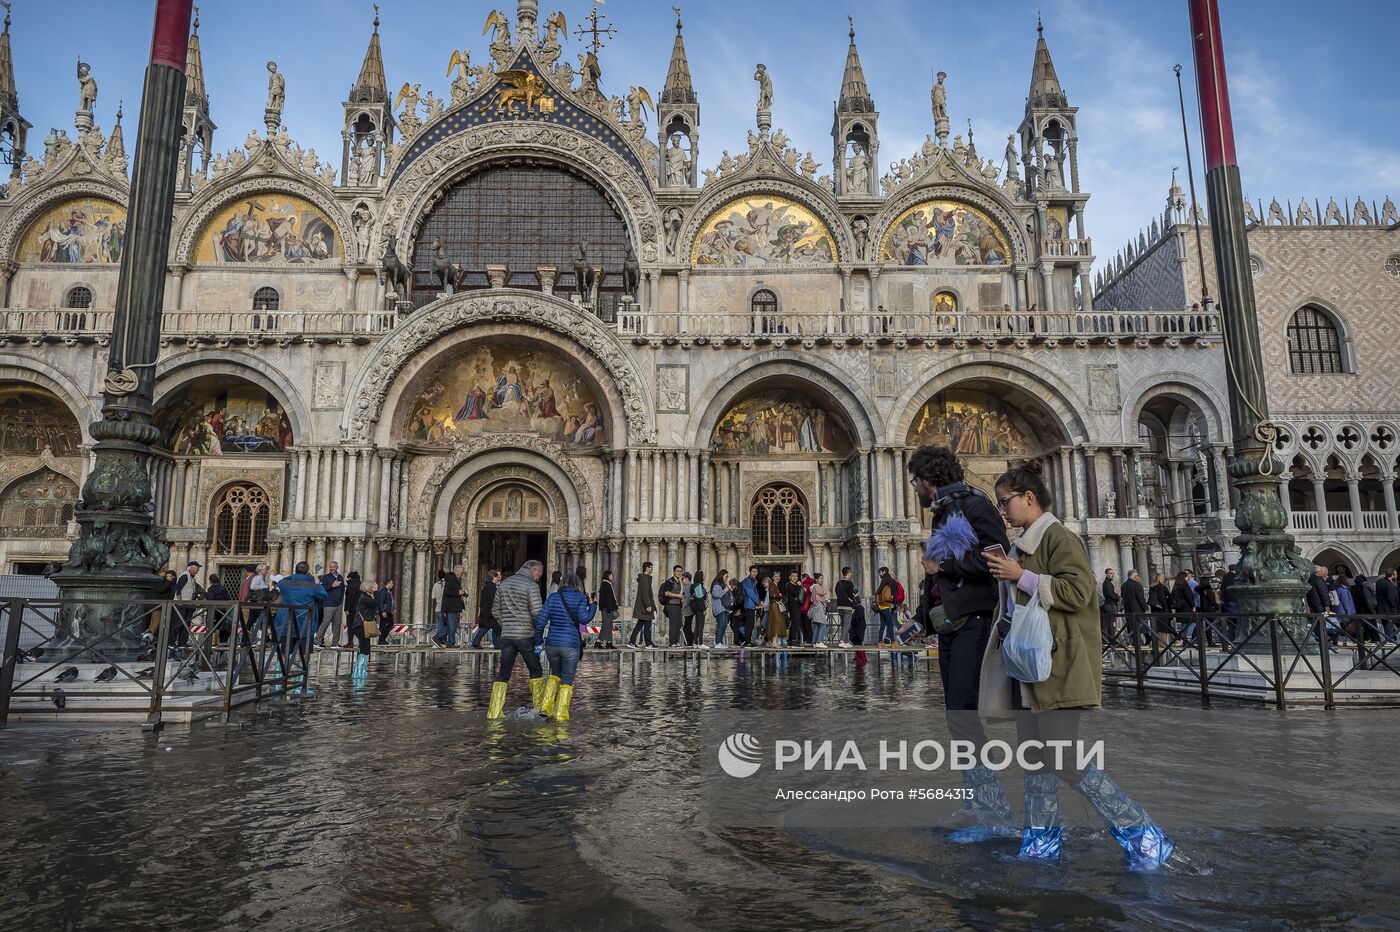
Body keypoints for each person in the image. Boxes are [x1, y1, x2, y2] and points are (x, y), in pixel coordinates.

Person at [982, 460, 1174, 870]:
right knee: (1034, 759)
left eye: (1005, 502)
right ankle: (1041, 844)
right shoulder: (1023, 545)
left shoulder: (1058, 538)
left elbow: (1080, 591)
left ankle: (1143, 832)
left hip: (1058, 666)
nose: (1001, 510)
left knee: (1063, 758)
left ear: (1028, 498)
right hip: (1028, 669)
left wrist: (1020, 575)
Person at [487, 560, 547, 719]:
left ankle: (494, 711)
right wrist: (534, 628)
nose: (538, 578)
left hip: (507, 636)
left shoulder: (504, 584)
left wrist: (507, 624)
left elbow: (495, 610)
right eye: (539, 575)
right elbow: (537, 612)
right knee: (535, 670)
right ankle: (539, 710)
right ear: (534, 570)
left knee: (503, 673)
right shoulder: (531, 586)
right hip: (525, 635)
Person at [535, 572, 596, 721]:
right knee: (567, 679)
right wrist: (593, 606)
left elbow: (541, 621)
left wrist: (538, 641)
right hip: (570, 644)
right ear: (578, 584)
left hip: (552, 644)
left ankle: (546, 708)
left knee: (555, 674)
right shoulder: (581, 598)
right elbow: (584, 619)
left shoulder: (553, 597)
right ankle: (561, 714)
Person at [273, 561, 327, 681]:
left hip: (287, 623)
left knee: (284, 653)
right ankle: (301, 682)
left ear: (295, 570)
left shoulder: (285, 583)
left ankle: (279, 679)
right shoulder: (312, 585)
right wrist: (317, 582)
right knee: (305, 654)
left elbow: (280, 583)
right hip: (305, 625)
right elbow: (324, 596)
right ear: (307, 572)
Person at [348, 578, 378, 678]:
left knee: (364, 647)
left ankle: (359, 671)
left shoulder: (366, 597)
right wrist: (376, 592)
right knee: (364, 648)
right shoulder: (365, 597)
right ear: (370, 587)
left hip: (362, 625)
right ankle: (359, 673)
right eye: (374, 586)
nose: (376, 587)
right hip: (361, 625)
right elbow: (377, 602)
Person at [173, 561, 205, 651]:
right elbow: (178, 588)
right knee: (178, 623)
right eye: (197, 569)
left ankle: (182, 642)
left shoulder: (192, 578)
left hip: (188, 605)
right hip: (181, 605)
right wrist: (179, 600)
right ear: (191, 568)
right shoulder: (185, 576)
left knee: (186, 625)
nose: (198, 571)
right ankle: (171, 642)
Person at [628, 562, 658, 648]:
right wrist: (648, 605)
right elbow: (645, 593)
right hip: (645, 607)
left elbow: (649, 594)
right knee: (647, 625)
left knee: (640, 624)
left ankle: (632, 641)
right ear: (646, 568)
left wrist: (653, 606)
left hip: (643, 606)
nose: (652, 569)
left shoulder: (645, 578)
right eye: (651, 567)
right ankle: (648, 643)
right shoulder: (645, 579)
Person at [471, 569, 503, 648]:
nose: (497, 579)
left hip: (486, 610)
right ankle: (497, 644)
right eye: (496, 577)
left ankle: (475, 642)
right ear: (493, 577)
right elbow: (493, 600)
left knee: (486, 627)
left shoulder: (488, 586)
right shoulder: (491, 587)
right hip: (490, 611)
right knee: (495, 627)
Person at [317, 561, 345, 648]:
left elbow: (342, 590)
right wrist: (332, 586)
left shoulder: (340, 577)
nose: (331, 568)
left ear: (337, 567)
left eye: (333, 567)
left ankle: (335, 643)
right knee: (326, 622)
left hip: (338, 604)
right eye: (330, 567)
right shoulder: (325, 577)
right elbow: (321, 589)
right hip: (329, 604)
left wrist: (341, 601)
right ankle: (317, 641)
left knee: (337, 624)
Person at [873, 567, 902, 647]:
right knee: (890, 624)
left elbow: (878, 593)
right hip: (886, 606)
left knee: (883, 625)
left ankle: (880, 641)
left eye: (880, 572)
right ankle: (893, 641)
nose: (879, 574)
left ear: (884, 572)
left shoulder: (884, 582)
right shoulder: (890, 581)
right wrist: (894, 605)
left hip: (880, 606)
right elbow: (892, 595)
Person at [438, 564, 466, 647]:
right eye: (461, 573)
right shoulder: (451, 578)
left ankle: (451, 642)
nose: (462, 575)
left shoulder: (454, 579)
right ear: (456, 571)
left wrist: (463, 593)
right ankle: (437, 637)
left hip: (453, 606)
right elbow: (447, 592)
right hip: (450, 607)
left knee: (453, 625)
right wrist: (458, 592)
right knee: (452, 625)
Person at [1120, 569, 1149, 647]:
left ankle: (1134, 642)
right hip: (1138, 609)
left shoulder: (1123, 586)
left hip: (1128, 610)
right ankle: (1144, 640)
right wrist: (1146, 608)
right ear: (1135, 576)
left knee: (1131, 627)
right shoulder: (1137, 585)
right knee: (1141, 626)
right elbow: (1140, 598)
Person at [660, 565, 685, 646]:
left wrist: (681, 582)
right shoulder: (669, 581)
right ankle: (672, 642)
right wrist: (677, 596)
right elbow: (666, 593)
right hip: (671, 604)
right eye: (677, 571)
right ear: (674, 572)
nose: (679, 573)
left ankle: (676, 642)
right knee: (673, 624)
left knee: (679, 624)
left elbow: (681, 593)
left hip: (678, 605)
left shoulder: (680, 582)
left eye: (680, 571)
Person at [205, 575, 231, 649]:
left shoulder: (211, 589)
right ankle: (216, 642)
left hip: (213, 609)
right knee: (218, 626)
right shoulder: (223, 588)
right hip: (222, 609)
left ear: (210, 581)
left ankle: (212, 643)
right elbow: (227, 597)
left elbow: (210, 598)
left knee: (212, 625)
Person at [1170, 571, 1196, 645]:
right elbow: (1189, 596)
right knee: (1192, 622)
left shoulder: (1176, 584)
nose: (1188, 578)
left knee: (1184, 624)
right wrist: (1193, 606)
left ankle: (1182, 639)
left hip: (1179, 608)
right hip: (1186, 607)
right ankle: (1187, 638)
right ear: (1184, 577)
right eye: (1187, 577)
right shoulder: (1184, 584)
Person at [835, 567, 858, 647]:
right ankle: (841, 641)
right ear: (847, 573)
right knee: (847, 624)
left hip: (839, 605)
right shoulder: (850, 583)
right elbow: (851, 594)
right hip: (847, 606)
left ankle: (846, 641)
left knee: (843, 624)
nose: (851, 574)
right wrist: (855, 595)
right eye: (850, 572)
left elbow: (837, 593)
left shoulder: (838, 583)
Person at [597, 569, 619, 648]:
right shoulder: (607, 585)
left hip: (605, 608)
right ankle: (609, 643)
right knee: (608, 626)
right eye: (611, 575)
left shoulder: (604, 584)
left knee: (606, 625)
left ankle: (598, 642)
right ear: (608, 576)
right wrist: (609, 609)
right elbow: (608, 598)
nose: (612, 577)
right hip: (607, 608)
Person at [740, 566, 762, 646]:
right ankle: (748, 642)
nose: (755, 573)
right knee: (749, 624)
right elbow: (750, 593)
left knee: (750, 624)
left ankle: (748, 641)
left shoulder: (753, 581)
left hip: (751, 605)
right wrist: (758, 602)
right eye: (753, 571)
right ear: (750, 572)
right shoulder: (748, 581)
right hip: (748, 605)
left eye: (756, 571)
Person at [1099, 568, 1121, 647]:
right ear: (1106, 574)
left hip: (1110, 605)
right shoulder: (1107, 583)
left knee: (1110, 623)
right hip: (1110, 605)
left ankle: (1109, 640)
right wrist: (1117, 597)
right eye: (1110, 573)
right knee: (1112, 623)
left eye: (1113, 573)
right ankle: (1111, 640)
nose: (1112, 575)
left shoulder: (1108, 583)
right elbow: (1110, 594)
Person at [784, 570, 807, 646]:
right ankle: (793, 640)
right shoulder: (789, 585)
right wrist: (800, 587)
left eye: (796, 576)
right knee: (795, 623)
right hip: (792, 606)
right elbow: (796, 593)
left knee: (795, 623)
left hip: (797, 606)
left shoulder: (796, 585)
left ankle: (791, 640)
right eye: (793, 576)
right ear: (789, 577)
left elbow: (803, 595)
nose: (794, 578)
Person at [764, 571, 787, 647]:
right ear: (772, 577)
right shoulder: (772, 585)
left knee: (776, 624)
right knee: (775, 623)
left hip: (776, 606)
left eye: (778, 576)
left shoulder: (776, 585)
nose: (777, 578)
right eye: (775, 576)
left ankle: (774, 642)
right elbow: (772, 595)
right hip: (774, 606)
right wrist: (780, 595)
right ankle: (774, 642)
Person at [342, 571, 364, 648]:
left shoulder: (351, 586)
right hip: (359, 609)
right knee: (358, 625)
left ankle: (350, 642)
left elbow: (350, 598)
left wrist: (347, 609)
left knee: (350, 625)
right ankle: (361, 642)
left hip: (352, 609)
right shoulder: (360, 584)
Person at [1377, 568, 1400, 642]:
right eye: (1395, 574)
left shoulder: (1379, 582)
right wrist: (1395, 607)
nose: (1396, 576)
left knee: (1386, 625)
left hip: (1381, 608)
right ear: (1392, 575)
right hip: (1390, 610)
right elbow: (1392, 599)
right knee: (1389, 626)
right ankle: (1389, 641)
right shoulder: (1390, 585)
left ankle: (1390, 640)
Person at [688, 570, 708, 647]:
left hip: (695, 608)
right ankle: (700, 643)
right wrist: (703, 609)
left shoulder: (693, 585)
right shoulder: (698, 585)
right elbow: (700, 598)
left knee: (697, 625)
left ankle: (695, 643)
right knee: (700, 625)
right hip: (699, 608)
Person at [711, 570, 731, 647]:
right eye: (726, 576)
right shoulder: (717, 584)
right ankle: (717, 642)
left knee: (724, 625)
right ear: (722, 575)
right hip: (719, 608)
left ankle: (720, 642)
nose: (727, 578)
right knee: (721, 624)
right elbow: (716, 594)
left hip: (724, 608)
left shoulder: (722, 585)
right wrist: (725, 590)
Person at [809, 573, 830, 646]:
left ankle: (814, 642)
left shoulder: (813, 587)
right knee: (822, 624)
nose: (822, 580)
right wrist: (825, 598)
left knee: (816, 625)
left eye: (822, 578)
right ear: (816, 580)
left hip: (815, 607)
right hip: (819, 606)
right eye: (820, 578)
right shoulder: (816, 586)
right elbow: (822, 593)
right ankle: (819, 641)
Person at [375, 579, 396, 646]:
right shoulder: (383, 591)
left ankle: (382, 639)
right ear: (388, 583)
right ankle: (381, 639)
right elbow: (381, 601)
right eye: (392, 583)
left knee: (385, 625)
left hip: (388, 611)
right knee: (386, 624)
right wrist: (383, 611)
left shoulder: (388, 591)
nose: (393, 585)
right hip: (385, 611)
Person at [430, 570, 447, 647]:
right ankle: (439, 639)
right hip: (446, 608)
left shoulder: (435, 585)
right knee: (446, 625)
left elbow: (433, 597)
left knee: (440, 625)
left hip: (438, 608)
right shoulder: (447, 584)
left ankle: (440, 640)